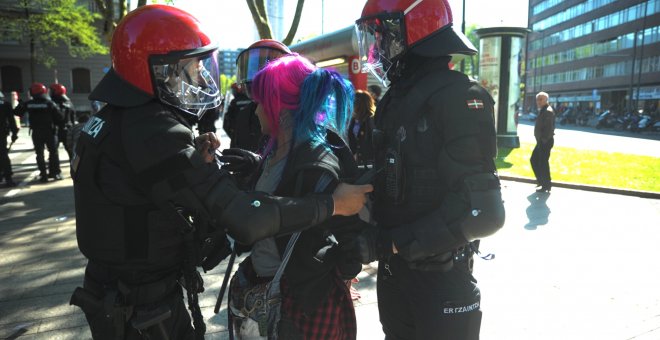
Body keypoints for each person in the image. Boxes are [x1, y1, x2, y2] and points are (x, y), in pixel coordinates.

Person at [68, 5, 371, 340]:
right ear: (160, 70)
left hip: (123, 294)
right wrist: (331, 204)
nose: (199, 77)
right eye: (192, 67)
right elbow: (246, 220)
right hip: (139, 305)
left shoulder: (114, 120)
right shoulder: (153, 130)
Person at [353, 0, 506, 339]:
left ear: (416, 28)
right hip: (396, 276)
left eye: (383, 35)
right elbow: (394, 177)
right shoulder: (395, 99)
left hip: (440, 281)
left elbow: (484, 213)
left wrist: (391, 243)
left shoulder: (459, 96)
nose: (377, 47)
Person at [227, 54, 363, 339]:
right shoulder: (276, 149)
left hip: (302, 306)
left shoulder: (316, 161)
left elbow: (348, 234)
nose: (255, 112)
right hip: (276, 293)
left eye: (261, 102)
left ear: (279, 106)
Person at [14, 82, 64, 182]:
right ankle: (55, 173)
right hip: (50, 131)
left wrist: (20, 103)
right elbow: (60, 118)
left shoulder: (29, 104)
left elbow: (17, 113)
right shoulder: (49, 103)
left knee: (39, 154)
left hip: (36, 132)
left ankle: (43, 175)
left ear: (33, 92)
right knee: (53, 153)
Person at [222, 83, 260, 150]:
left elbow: (227, 120)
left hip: (238, 137)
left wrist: (233, 133)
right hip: (251, 137)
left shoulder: (234, 102)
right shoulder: (251, 102)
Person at [531, 91, 555, 193]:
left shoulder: (548, 111)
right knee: (534, 160)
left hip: (545, 141)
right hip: (542, 141)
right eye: (537, 99)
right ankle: (542, 181)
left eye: (541, 99)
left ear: (546, 100)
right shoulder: (543, 110)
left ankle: (546, 185)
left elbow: (549, 129)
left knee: (543, 163)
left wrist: (543, 140)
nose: (538, 101)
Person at [348, 89, 376, 172]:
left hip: (368, 163)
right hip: (358, 161)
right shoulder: (354, 119)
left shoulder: (371, 120)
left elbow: (371, 143)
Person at [50, 83, 77, 159]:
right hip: (67, 129)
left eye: (52, 91)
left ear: (56, 91)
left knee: (53, 152)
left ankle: (55, 170)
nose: (50, 92)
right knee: (70, 152)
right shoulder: (69, 101)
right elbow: (73, 116)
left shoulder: (53, 103)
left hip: (56, 130)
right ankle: (74, 169)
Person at [0, 91, 19, 187]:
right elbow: (11, 120)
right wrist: (14, 132)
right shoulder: (5, 104)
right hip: (2, 134)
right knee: (3, 155)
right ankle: (8, 178)